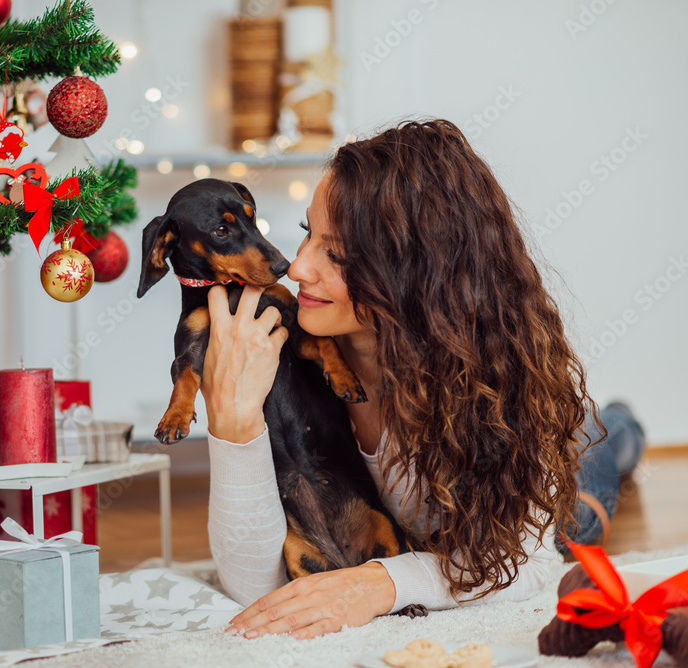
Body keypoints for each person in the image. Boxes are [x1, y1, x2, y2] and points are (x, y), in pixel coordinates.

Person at [199, 119, 646, 640]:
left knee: (592, 469)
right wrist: (232, 420)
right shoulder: (290, 354)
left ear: (414, 272)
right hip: (439, 529)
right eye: (307, 235)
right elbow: (257, 585)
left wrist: (377, 583)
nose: (295, 269)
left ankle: (620, 426)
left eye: (336, 253)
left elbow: (524, 564)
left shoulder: (490, 376)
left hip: (561, 494)